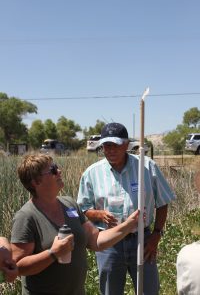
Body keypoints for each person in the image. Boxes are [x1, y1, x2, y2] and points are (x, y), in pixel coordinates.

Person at [10, 154, 140, 295]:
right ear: (36, 182)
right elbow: (18, 266)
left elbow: (95, 240)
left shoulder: (69, 204)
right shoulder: (26, 217)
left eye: (57, 167)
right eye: (53, 170)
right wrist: (53, 253)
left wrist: (128, 225)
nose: (59, 171)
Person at [77, 122, 176, 295]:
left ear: (126, 144)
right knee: (110, 291)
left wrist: (156, 235)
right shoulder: (92, 173)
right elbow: (83, 210)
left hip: (142, 241)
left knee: (149, 290)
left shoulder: (146, 167)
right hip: (109, 243)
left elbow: (163, 201)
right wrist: (99, 214)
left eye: (115, 144)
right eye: (106, 145)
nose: (110, 150)